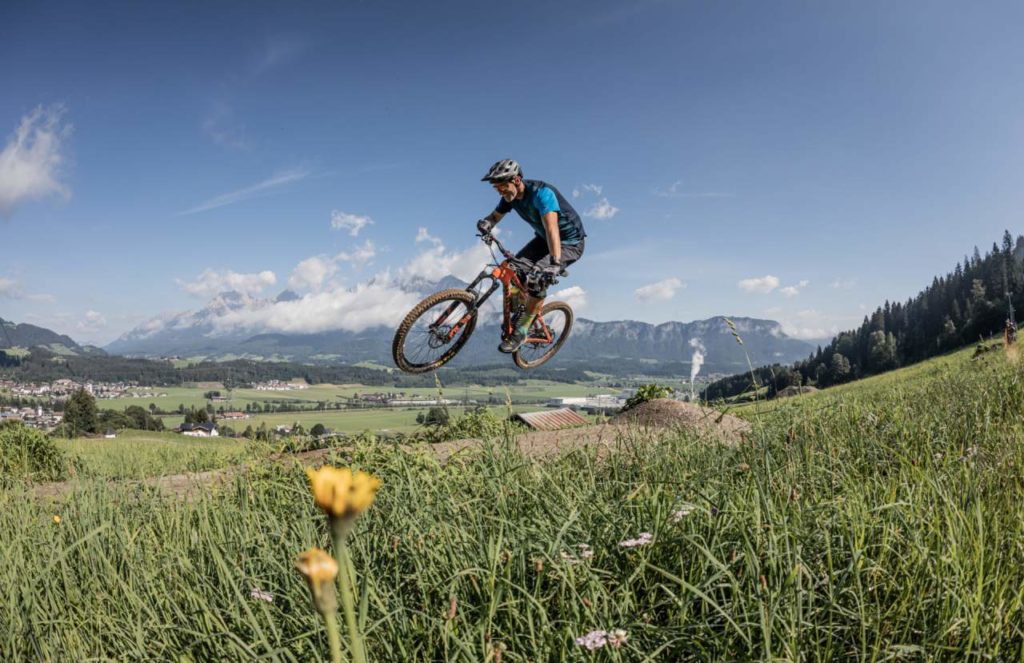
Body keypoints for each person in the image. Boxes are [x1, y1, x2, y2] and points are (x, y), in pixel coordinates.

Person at [476, 159, 586, 353]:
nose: (500, 191)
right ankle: (522, 311)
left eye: (502, 186)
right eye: (496, 187)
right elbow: (494, 217)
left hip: (569, 243)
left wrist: (554, 263)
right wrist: (486, 224)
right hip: (543, 240)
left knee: (537, 278)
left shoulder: (542, 194)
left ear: (517, 180)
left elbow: (552, 230)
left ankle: (522, 330)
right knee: (512, 269)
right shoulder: (510, 197)